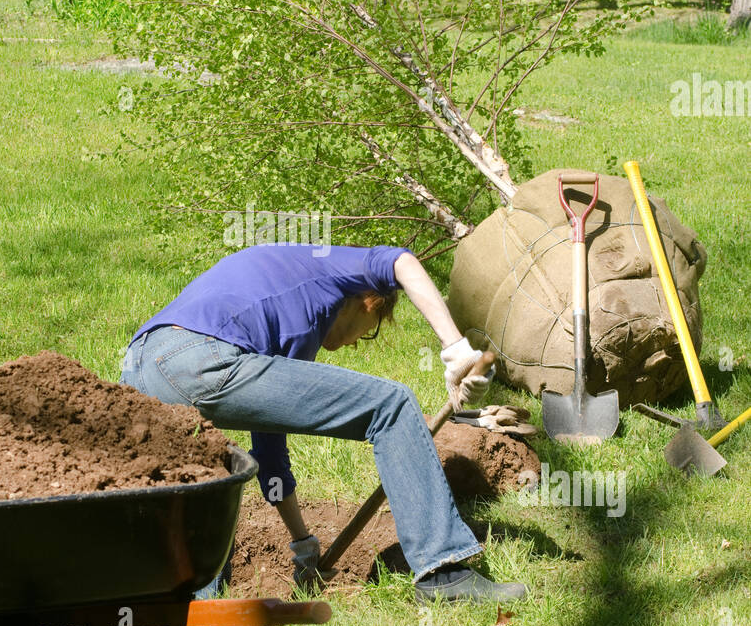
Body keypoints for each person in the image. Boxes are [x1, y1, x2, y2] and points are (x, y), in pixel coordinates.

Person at [120, 243, 528, 605]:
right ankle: (443, 571)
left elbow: (270, 453)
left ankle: (192, 602)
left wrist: (302, 544)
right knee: (392, 404)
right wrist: (455, 348)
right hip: (198, 358)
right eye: (368, 335)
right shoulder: (330, 270)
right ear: (370, 303)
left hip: (141, 365)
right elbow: (400, 261)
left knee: (205, 473)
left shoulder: (285, 311)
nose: (353, 344)